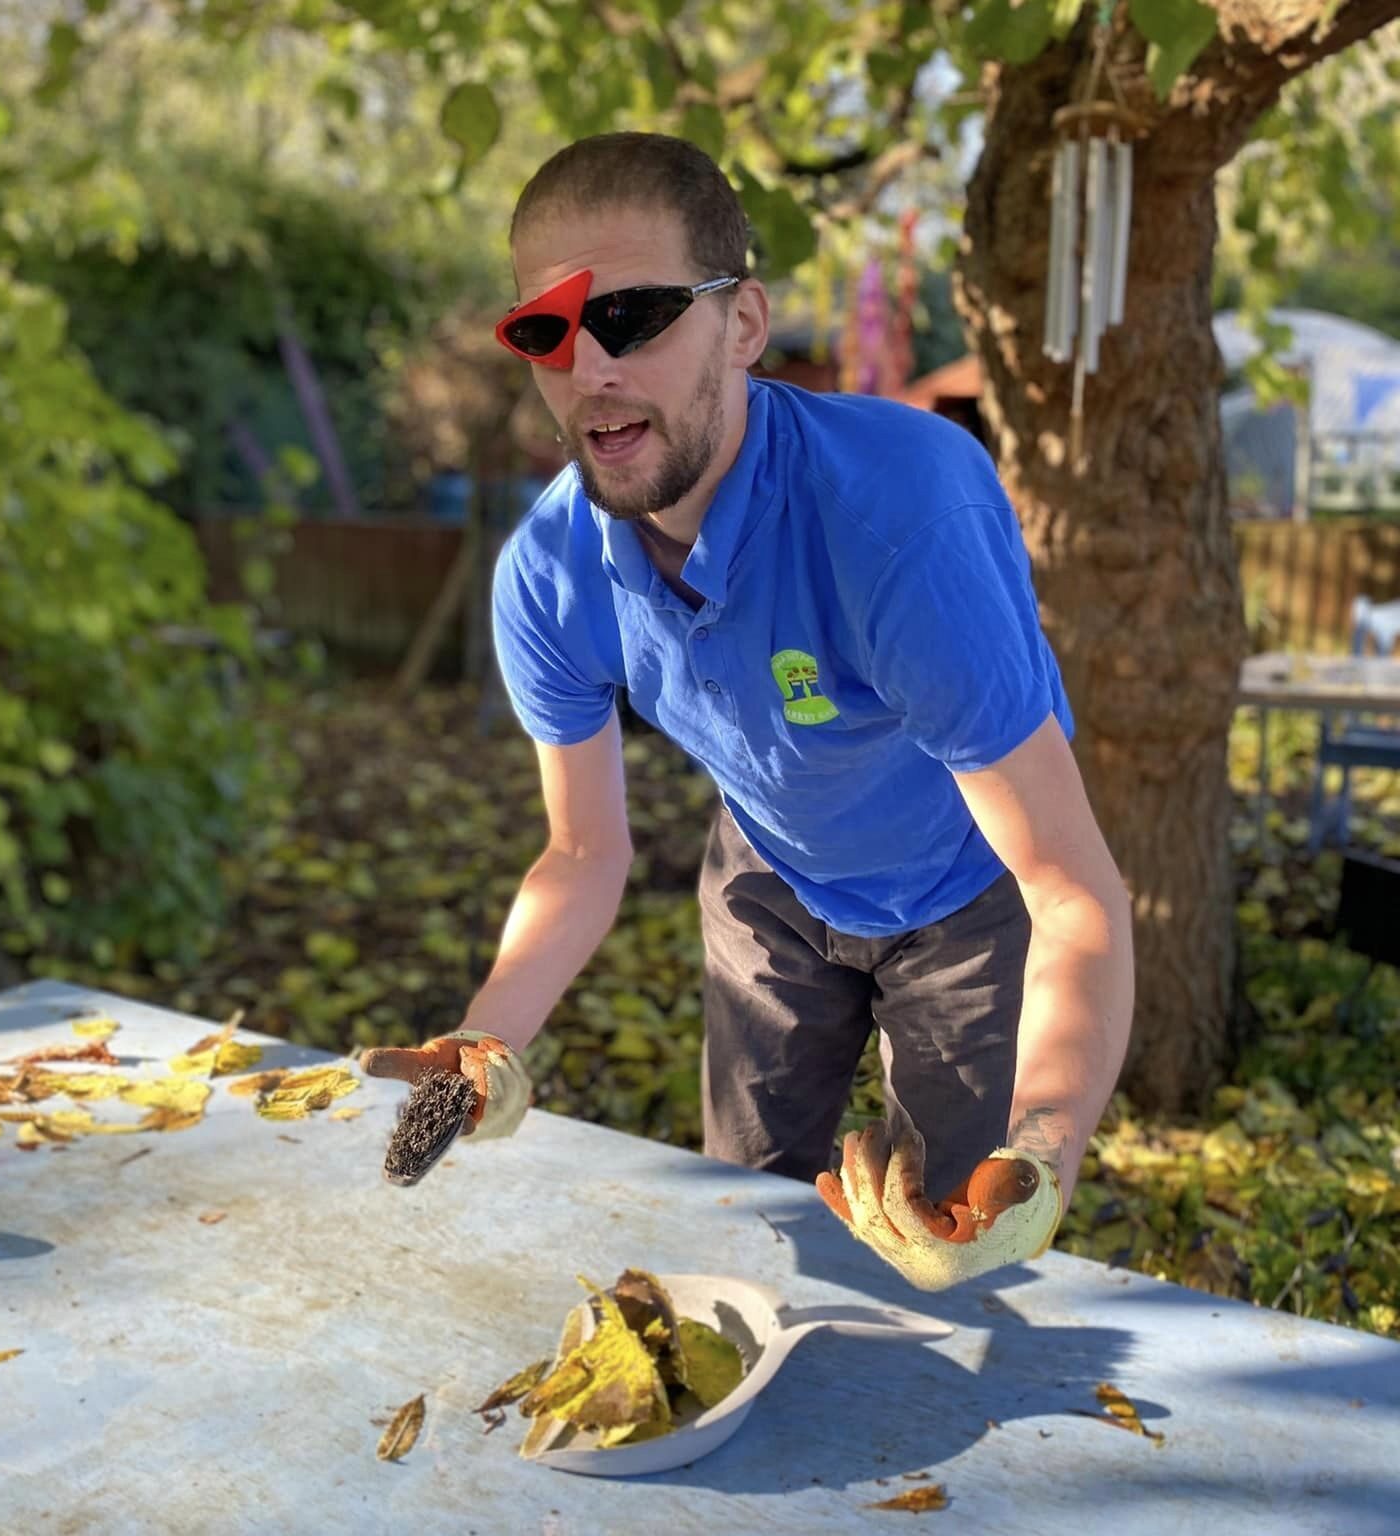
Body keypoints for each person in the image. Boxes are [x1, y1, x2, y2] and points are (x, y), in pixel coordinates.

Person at [361, 132, 1134, 1292]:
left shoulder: (902, 523)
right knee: (751, 1219)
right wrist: (487, 1037)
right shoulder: (549, 574)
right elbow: (579, 852)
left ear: (744, 323)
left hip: (968, 886)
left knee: (947, 1238)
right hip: (769, 872)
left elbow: (1072, 891)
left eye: (631, 315)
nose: (589, 369)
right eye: (546, 332)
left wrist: (1045, 1149)